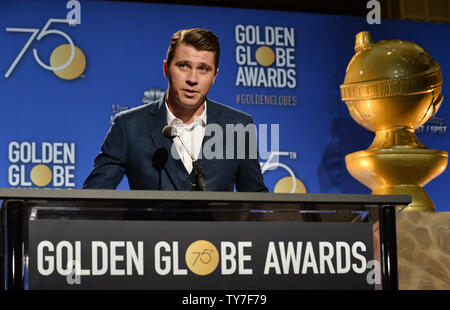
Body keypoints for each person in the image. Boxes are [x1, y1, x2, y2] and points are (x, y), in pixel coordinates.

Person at [83, 28, 267, 192]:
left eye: (203, 69)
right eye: (184, 66)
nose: (192, 79)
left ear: (214, 76)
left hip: (217, 232)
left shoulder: (239, 126)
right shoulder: (128, 126)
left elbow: (255, 202)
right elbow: (94, 196)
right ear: (166, 68)